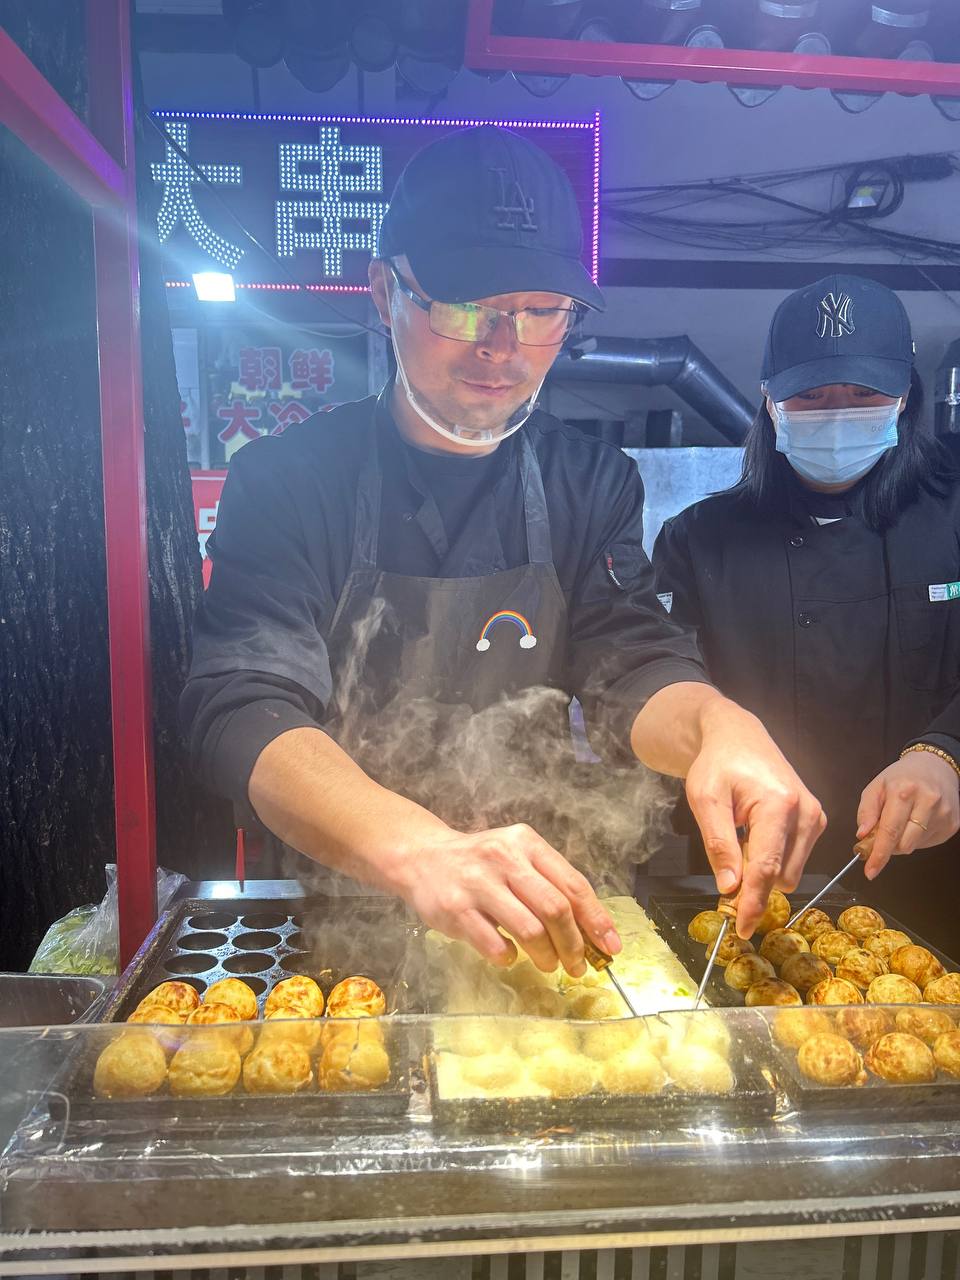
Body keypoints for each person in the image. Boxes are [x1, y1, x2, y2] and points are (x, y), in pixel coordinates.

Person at [180, 127, 824, 977]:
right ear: (384, 294)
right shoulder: (288, 480)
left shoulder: (590, 481)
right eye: (461, 304)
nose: (502, 345)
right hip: (342, 915)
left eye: (539, 313)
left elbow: (631, 661)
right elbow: (240, 706)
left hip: (538, 918)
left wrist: (718, 725)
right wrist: (417, 849)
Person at [654, 274, 960, 952]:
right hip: (744, 864)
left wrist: (948, 753)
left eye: (863, 394)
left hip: (937, 866)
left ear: (905, 397)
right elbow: (659, 679)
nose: (837, 410)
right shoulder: (698, 540)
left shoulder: (953, 517)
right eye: (812, 395)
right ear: (770, 402)